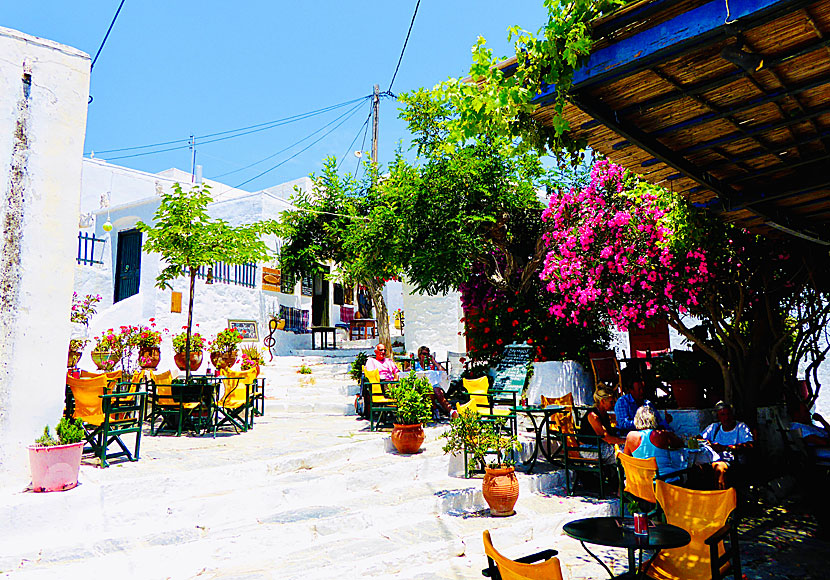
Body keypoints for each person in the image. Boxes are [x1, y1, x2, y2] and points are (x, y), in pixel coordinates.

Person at [700, 401, 754, 489]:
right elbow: (698, 438)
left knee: (719, 468)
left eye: (728, 414)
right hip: (713, 459)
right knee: (697, 468)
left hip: (734, 462)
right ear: (718, 417)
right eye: (722, 415)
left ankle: (723, 498)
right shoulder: (714, 427)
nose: (726, 418)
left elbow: (750, 445)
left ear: (733, 415)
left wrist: (726, 448)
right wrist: (708, 443)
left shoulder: (741, 427)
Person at [623, 406, 686, 481]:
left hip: (642, 482)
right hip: (665, 481)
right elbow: (681, 444)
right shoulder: (661, 434)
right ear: (653, 419)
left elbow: (626, 459)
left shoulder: (631, 436)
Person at [580, 385, 626, 463]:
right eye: (611, 402)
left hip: (600, 445)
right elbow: (607, 438)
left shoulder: (604, 414)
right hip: (589, 448)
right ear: (603, 401)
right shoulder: (593, 416)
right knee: (624, 451)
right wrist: (626, 441)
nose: (614, 404)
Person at [412, 345, 453, 418]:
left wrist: (434, 361)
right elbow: (407, 372)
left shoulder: (432, 366)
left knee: (437, 391)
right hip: (421, 387)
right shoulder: (416, 366)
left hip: (434, 386)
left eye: (427, 354)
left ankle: (451, 411)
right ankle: (435, 409)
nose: (426, 356)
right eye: (424, 354)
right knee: (429, 391)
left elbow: (443, 372)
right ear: (419, 355)